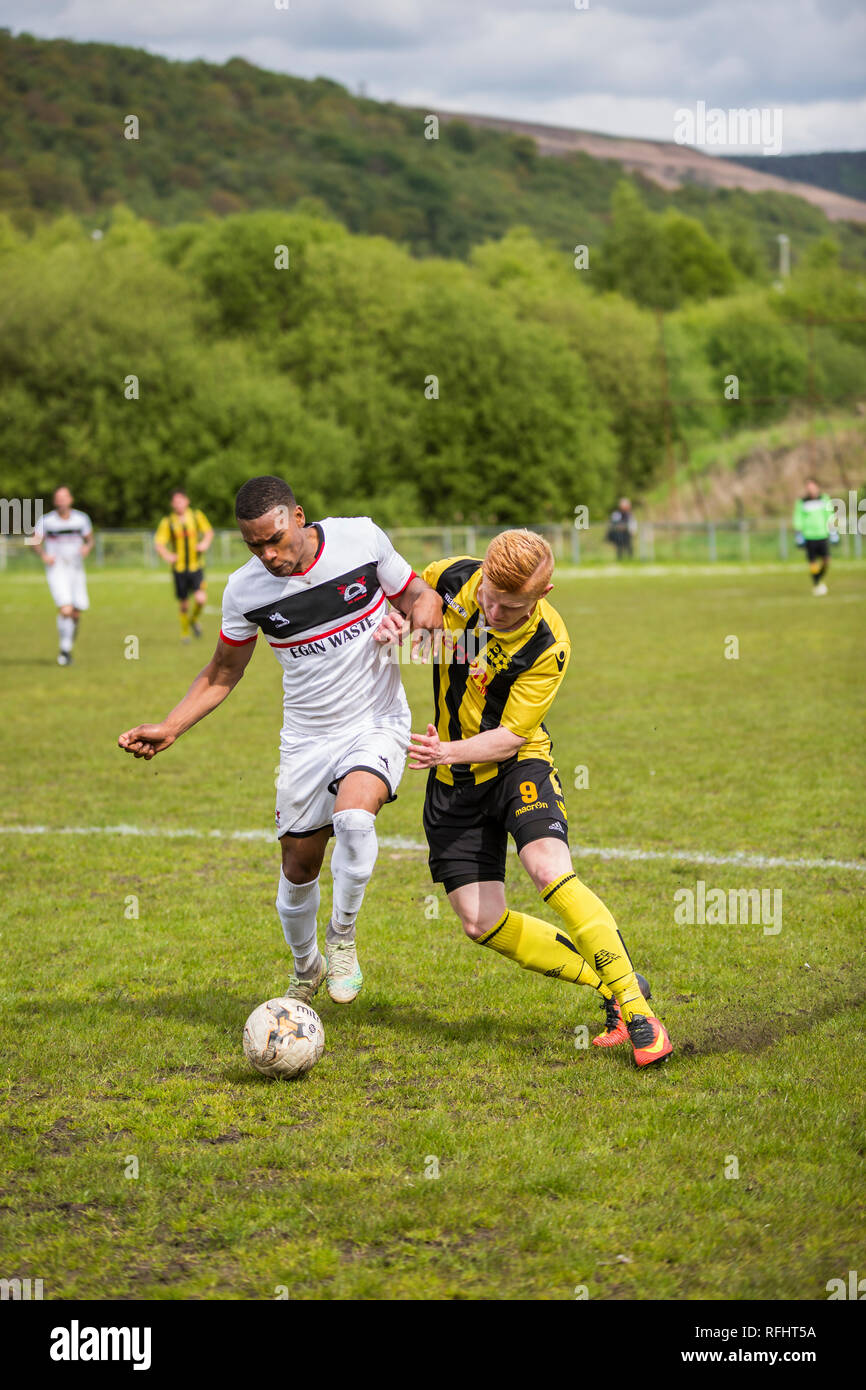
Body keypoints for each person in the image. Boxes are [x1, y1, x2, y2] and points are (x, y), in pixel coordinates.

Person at [119, 476, 440, 1006]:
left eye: (275, 539)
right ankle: (305, 965)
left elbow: (420, 595)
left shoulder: (360, 539)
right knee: (298, 866)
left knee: (355, 818)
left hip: (375, 720)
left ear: (298, 516)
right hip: (306, 739)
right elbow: (223, 672)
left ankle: (341, 939)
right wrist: (171, 725)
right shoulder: (245, 591)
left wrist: (417, 624)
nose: (268, 555)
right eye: (254, 545)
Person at [389, 529, 672, 1068]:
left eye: (509, 605)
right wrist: (397, 622)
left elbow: (511, 736)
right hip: (453, 783)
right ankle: (613, 982)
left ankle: (640, 1015)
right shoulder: (455, 576)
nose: (492, 609)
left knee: (546, 868)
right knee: (479, 922)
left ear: (541, 595)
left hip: (516, 764)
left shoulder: (549, 643)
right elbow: (414, 601)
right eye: (489, 596)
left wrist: (445, 751)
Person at [32, 486, 94, 667]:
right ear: (54, 501)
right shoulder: (47, 520)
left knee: (76, 612)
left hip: (76, 569)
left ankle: (67, 647)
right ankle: (64, 650)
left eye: (64, 497)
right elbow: (34, 540)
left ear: (71, 499)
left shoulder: (81, 519)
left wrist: (86, 547)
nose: (61, 500)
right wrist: (43, 555)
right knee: (66, 608)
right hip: (57, 569)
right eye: (58, 497)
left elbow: (90, 539)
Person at [154, 491, 214, 641]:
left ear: (187, 501)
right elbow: (159, 543)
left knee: (201, 599)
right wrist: (167, 555)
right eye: (175, 501)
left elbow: (208, 532)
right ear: (172, 504)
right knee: (184, 604)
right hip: (179, 569)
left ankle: (193, 620)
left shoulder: (195, 516)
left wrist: (204, 544)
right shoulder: (168, 521)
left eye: (181, 500)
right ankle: (185, 633)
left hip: (196, 567)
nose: (178, 504)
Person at [793, 478, 837, 596]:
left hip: (822, 534)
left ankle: (817, 579)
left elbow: (829, 515)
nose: (811, 489)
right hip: (809, 535)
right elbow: (798, 517)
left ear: (817, 487)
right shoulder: (802, 502)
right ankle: (817, 584)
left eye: (812, 486)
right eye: (808, 487)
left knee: (826, 560)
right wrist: (798, 533)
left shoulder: (824, 499)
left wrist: (833, 531)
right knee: (812, 562)